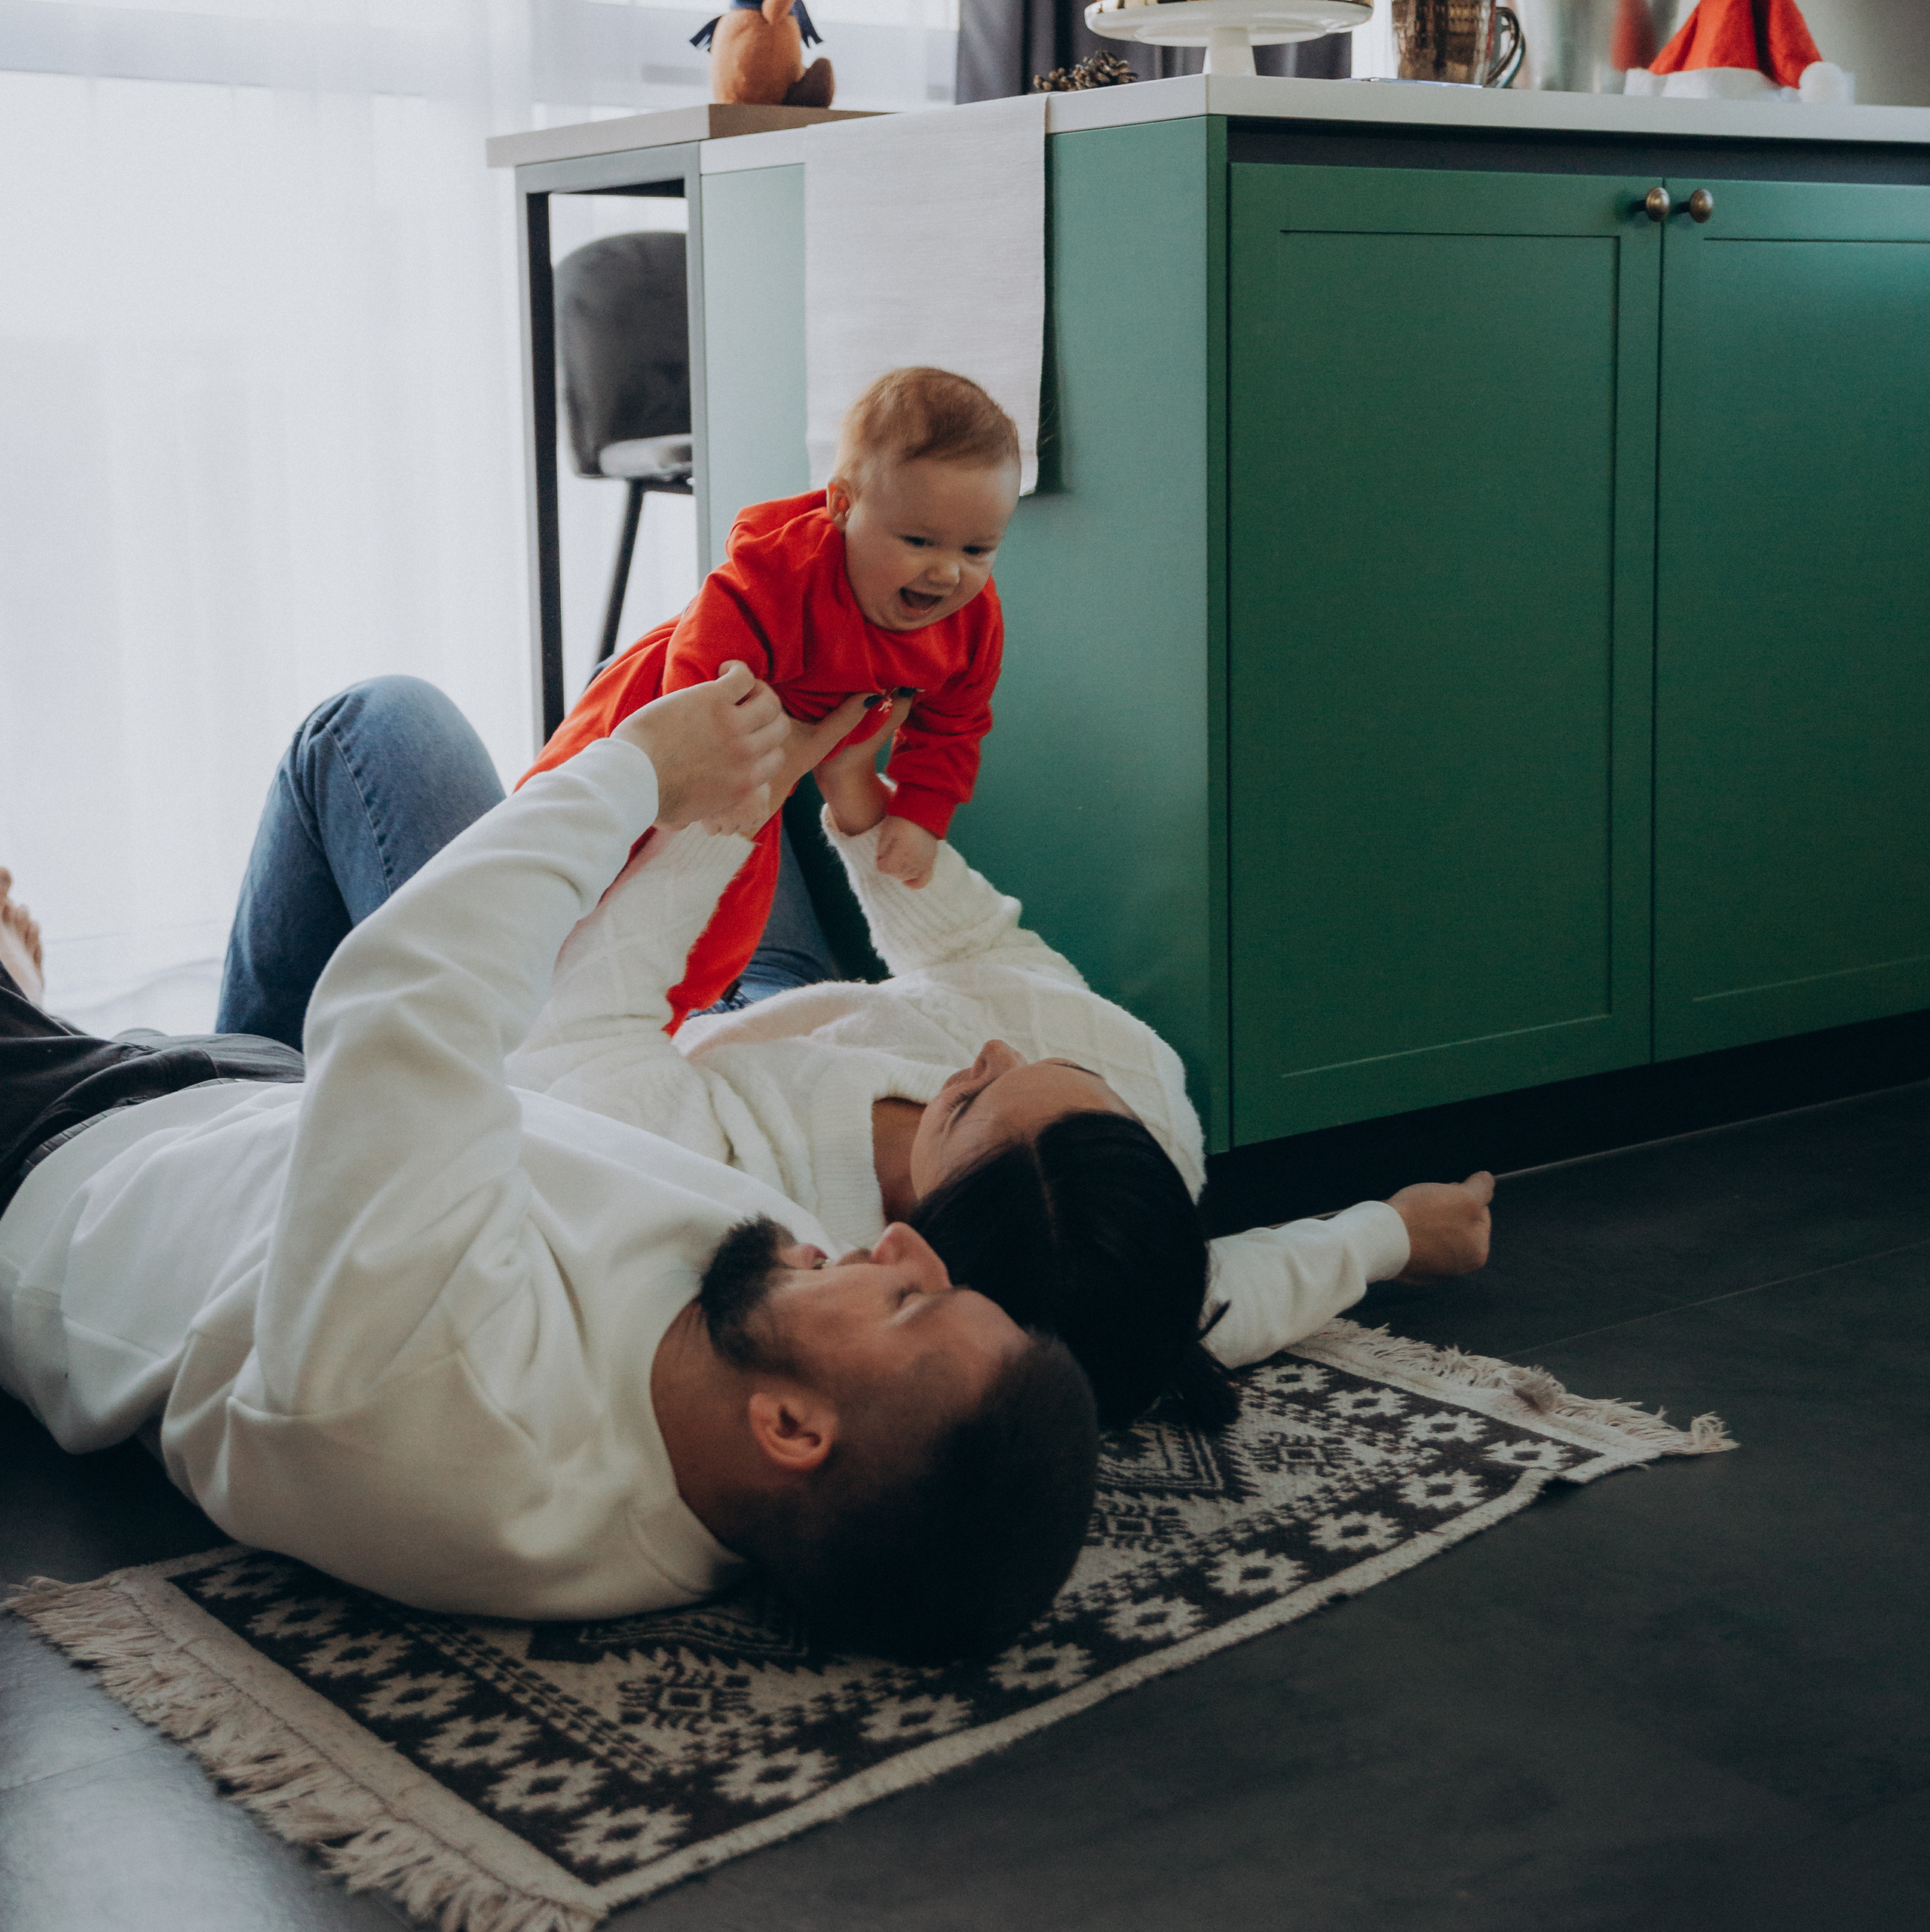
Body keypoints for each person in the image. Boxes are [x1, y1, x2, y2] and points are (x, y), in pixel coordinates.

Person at [0, 668, 1099, 1663]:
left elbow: (400, 997)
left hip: (65, 1154)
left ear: (793, 1431)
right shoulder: (751, 1362)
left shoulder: (450, 1408)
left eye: (911, 1302)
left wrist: (640, 774)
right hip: (273, 1100)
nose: (904, 1243)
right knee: (375, 734)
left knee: (372, 726)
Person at [208, 676, 1493, 1433]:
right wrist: (1394, 1232)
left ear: (917, 1237)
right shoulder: (1133, 1137)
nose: (990, 1044)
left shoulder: (736, 1222)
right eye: (1057, 1069)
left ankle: (251, 1092)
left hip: (596, 1059)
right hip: (785, 1014)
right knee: (773, 685)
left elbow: (578, 1021)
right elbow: (1224, 1293)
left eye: (968, 1096)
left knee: (383, 727)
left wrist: (713, 804)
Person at [526, 367, 1021, 1030]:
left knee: (721, 914)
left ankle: (663, 1021)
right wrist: (711, 775)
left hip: (764, 773)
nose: (947, 571)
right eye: (918, 541)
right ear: (842, 507)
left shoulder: (972, 622)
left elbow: (955, 724)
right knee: (580, 846)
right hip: (676, 715)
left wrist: (921, 814)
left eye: (977, 549)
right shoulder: (781, 572)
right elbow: (701, 664)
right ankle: (529, 973)